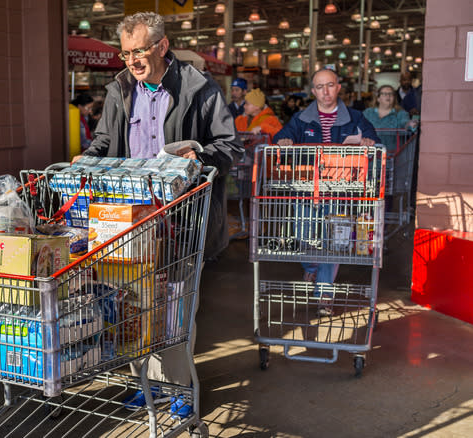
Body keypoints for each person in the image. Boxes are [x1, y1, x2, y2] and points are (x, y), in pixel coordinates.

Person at [77, 11, 242, 419]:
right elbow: (104, 140)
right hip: (130, 220)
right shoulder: (119, 89)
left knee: (173, 308)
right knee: (131, 303)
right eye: (126, 52)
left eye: (140, 50)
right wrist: (89, 158)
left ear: (162, 46)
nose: (132, 60)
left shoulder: (199, 88)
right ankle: (144, 385)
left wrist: (200, 154)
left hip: (182, 220)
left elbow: (230, 147)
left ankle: (180, 388)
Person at [273, 68, 380, 315]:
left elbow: (375, 142)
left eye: (330, 85)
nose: (325, 91)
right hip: (307, 190)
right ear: (313, 91)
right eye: (320, 87)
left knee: (333, 244)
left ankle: (324, 295)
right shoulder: (301, 119)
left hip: (340, 192)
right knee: (304, 239)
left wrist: (368, 142)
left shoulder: (355, 118)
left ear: (338, 87)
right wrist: (284, 141)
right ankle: (311, 266)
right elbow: (281, 137)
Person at [363, 84, 417, 151]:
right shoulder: (368, 113)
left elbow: (405, 122)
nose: (388, 96)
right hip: (371, 154)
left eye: (391, 94)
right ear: (378, 98)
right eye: (385, 94)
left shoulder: (400, 113)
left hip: (393, 155)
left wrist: (410, 124)